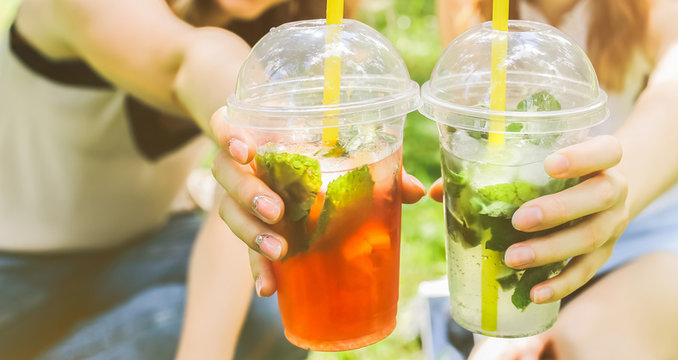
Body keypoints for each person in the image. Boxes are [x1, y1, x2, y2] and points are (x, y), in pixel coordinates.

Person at [215, 0, 678, 359]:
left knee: (583, 347)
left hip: (671, 231)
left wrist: (611, 194)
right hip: (516, 237)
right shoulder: (474, 6)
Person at [0, 0, 426, 358]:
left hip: (140, 246)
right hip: (17, 277)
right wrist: (263, 125)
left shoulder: (294, 30)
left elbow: (248, 195)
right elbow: (188, 60)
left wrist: (275, 151)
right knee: (171, 321)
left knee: (277, 297)